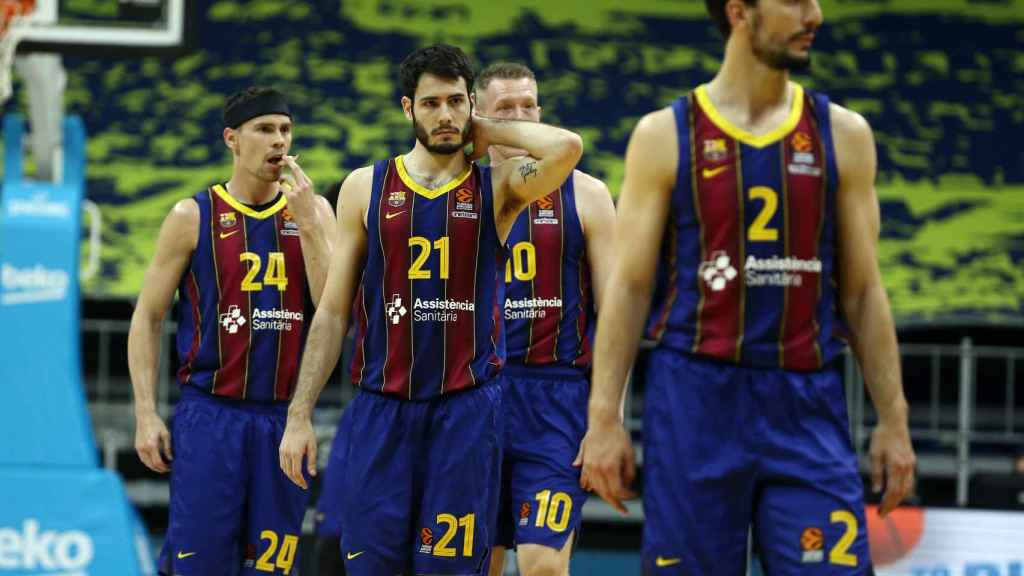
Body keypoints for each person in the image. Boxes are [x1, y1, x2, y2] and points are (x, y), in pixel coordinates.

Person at [576, 1, 917, 573]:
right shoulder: (665, 135)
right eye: (796, 2)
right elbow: (631, 288)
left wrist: (895, 419)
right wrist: (603, 417)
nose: (816, 16)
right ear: (740, 10)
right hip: (695, 400)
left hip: (806, 400)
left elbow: (861, 292)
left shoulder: (844, 134)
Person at [278, 44, 583, 576]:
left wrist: (487, 129)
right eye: (431, 103)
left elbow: (567, 147)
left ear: (471, 106)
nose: (445, 115)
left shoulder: (498, 187)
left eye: (456, 102)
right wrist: (300, 413)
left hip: (465, 413)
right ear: (407, 108)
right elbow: (331, 313)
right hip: (382, 409)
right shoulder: (365, 186)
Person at [128, 86, 336, 575]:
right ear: (232, 139)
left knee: (270, 568)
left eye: (285, 130)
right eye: (264, 130)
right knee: (200, 566)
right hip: (211, 417)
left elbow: (334, 310)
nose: (278, 141)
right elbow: (148, 317)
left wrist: (307, 224)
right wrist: (144, 413)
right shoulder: (191, 216)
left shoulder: (315, 212)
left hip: (285, 420)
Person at [471, 62, 616, 576]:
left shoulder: (589, 195)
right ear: (479, 118)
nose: (520, 118)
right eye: (505, 110)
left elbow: (615, 316)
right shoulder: (458, 196)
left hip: (554, 400)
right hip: (473, 399)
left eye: (528, 107)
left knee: (544, 566)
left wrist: (607, 419)